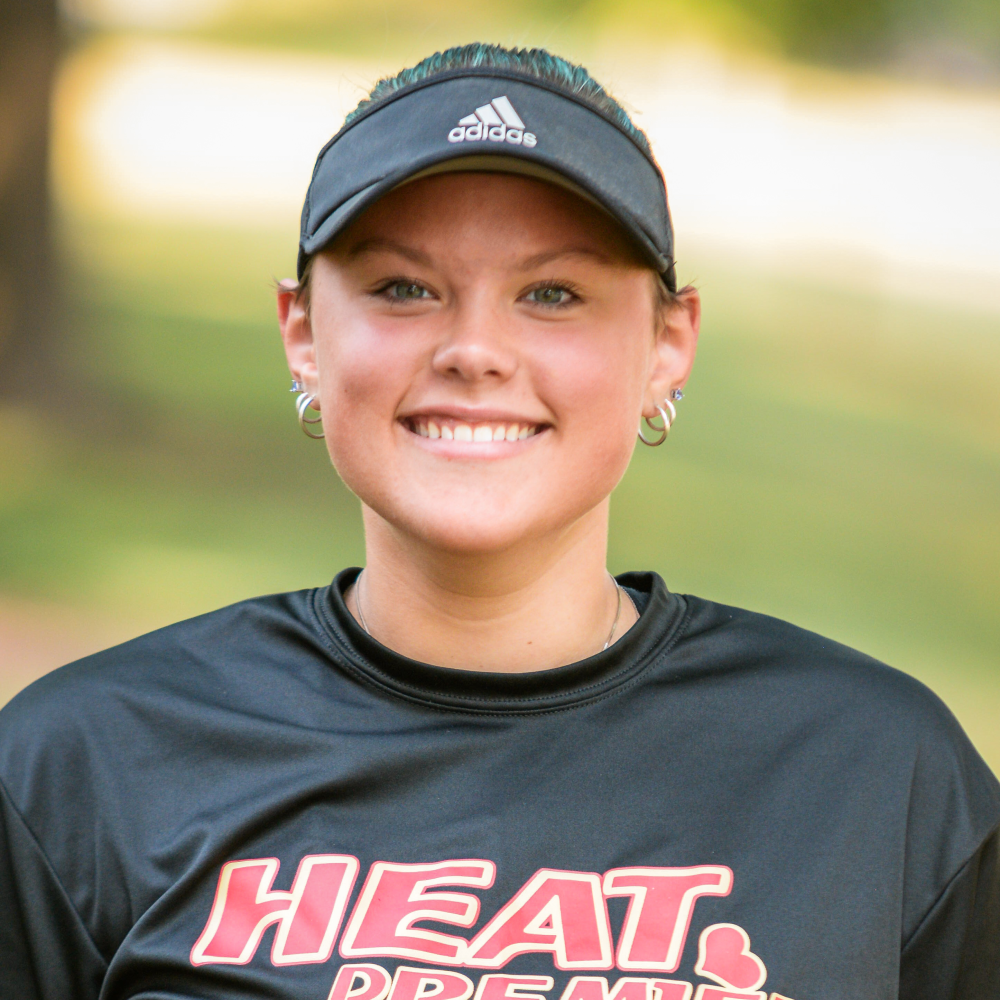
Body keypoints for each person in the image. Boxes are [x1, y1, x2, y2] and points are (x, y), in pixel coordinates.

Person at [0, 42, 997, 1000]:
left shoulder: (877, 778)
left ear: (668, 345)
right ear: (302, 332)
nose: (474, 349)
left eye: (552, 293)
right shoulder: (83, 766)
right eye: (403, 288)